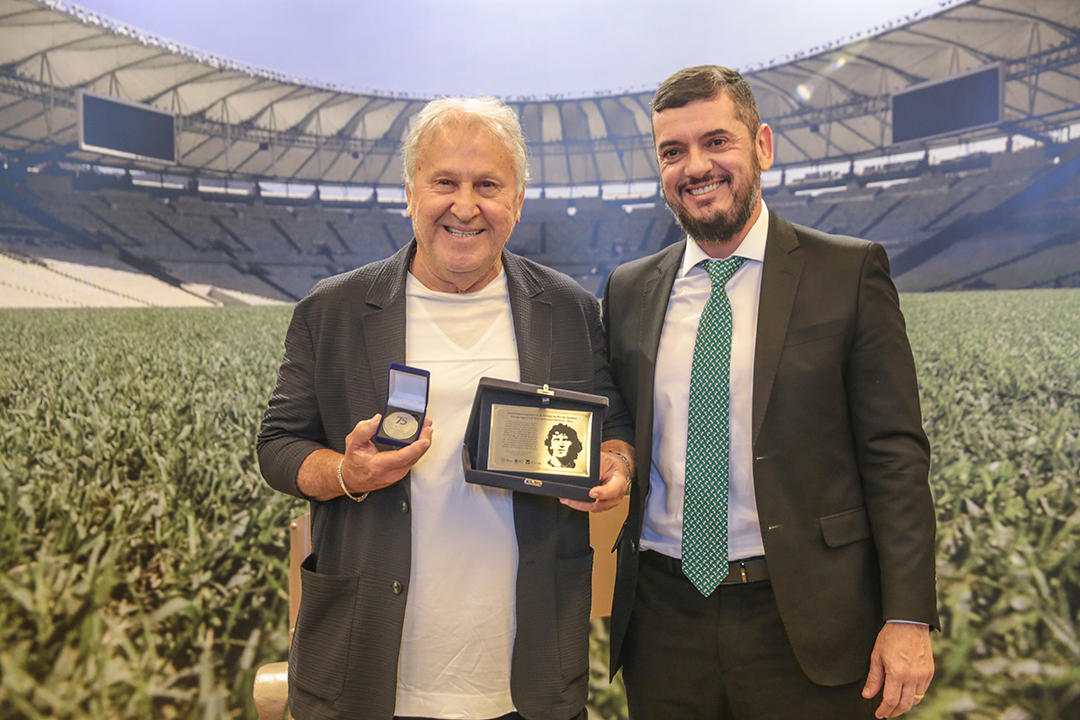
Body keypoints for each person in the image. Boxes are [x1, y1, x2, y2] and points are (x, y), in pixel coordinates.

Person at [258, 96, 635, 720]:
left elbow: (613, 425)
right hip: (369, 669)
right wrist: (345, 473)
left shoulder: (567, 309)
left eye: (488, 184)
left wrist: (615, 464)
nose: (465, 206)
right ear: (410, 193)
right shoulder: (333, 311)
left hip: (528, 673)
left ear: (516, 200)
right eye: (444, 182)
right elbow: (277, 448)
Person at [602, 65, 938, 719]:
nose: (695, 166)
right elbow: (616, 413)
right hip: (664, 620)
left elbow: (895, 453)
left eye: (716, 142)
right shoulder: (628, 288)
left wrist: (908, 616)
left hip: (808, 616)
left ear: (763, 146)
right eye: (673, 151)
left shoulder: (848, 271)